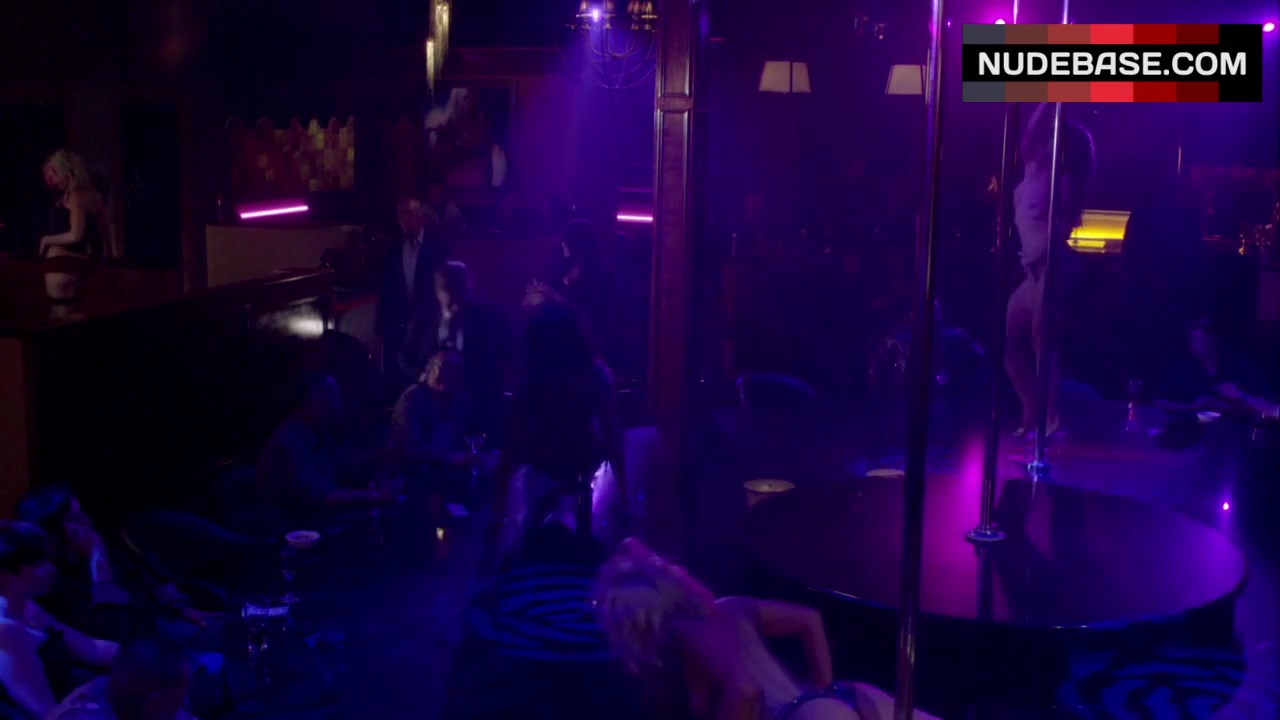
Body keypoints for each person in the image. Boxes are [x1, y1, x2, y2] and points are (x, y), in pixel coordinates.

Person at [594, 539, 941, 720]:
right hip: (842, 696)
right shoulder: (731, 607)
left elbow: (745, 691)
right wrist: (824, 694)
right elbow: (810, 621)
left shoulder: (683, 631)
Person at [490, 302, 627, 554]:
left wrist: (500, 490)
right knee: (581, 543)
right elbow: (611, 434)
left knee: (532, 542)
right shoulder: (594, 374)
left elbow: (513, 436)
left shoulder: (531, 376)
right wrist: (623, 489)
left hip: (541, 464)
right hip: (580, 463)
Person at [15, 489, 223, 645]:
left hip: (164, 622)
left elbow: (144, 573)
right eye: (74, 518)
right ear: (53, 533)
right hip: (144, 641)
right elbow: (113, 627)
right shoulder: (49, 581)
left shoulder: (97, 543)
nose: (86, 521)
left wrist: (179, 607)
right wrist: (97, 560)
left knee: (234, 626)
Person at [1005, 103, 1094, 437]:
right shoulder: (1033, 164)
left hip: (1052, 266)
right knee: (1009, 342)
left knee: (1042, 340)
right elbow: (1029, 135)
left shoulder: (1064, 180)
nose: (1048, 140)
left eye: (1056, 138)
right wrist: (1049, 99)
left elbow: (1062, 220)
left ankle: (1051, 418)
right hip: (1032, 272)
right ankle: (1032, 409)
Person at [0, 522, 118, 718]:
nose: (52, 568)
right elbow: (46, 713)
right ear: (6, 575)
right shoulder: (7, 632)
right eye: (39, 563)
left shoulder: (26, 606)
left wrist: (146, 658)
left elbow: (91, 649)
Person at [255, 374, 400, 530]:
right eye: (333, 397)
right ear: (313, 401)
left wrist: (382, 453)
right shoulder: (290, 442)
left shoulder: (316, 432)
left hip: (311, 518)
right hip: (290, 528)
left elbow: (343, 464)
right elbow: (322, 497)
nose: (340, 404)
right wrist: (378, 495)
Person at [399, 261, 511, 434]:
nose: (450, 298)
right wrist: (421, 376)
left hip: (471, 395)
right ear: (437, 290)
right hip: (429, 394)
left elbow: (496, 360)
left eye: (455, 290)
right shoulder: (424, 317)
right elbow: (404, 356)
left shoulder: (484, 318)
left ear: (466, 289)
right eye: (444, 290)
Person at [377, 197, 448, 376]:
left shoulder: (437, 246)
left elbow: (442, 286)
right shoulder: (393, 247)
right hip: (398, 320)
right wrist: (382, 321)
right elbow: (385, 286)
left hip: (426, 322)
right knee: (396, 371)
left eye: (408, 213)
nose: (404, 219)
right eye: (400, 214)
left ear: (420, 215)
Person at [48, 638, 195, 720]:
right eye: (180, 697)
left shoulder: (122, 691)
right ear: (154, 702)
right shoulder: (82, 715)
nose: (182, 703)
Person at [1157, 316, 1271, 418]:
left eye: (1201, 340)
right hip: (1191, 431)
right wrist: (1190, 407)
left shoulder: (1239, 368)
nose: (1196, 345)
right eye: (1194, 340)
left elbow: (1271, 407)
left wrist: (1230, 403)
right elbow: (1159, 402)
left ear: (1215, 340)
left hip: (1234, 431)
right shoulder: (1181, 370)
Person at [525, 219, 613, 351]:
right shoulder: (563, 267)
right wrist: (539, 293)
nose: (562, 243)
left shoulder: (600, 276)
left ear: (577, 243)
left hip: (582, 340)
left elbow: (588, 314)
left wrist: (552, 295)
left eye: (566, 240)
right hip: (558, 334)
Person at [39, 151, 110, 262]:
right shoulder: (87, 192)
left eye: (55, 175)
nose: (53, 181)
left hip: (82, 258)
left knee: (53, 253)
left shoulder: (77, 195)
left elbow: (75, 236)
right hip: (86, 256)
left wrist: (46, 240)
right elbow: (104, 227)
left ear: (66, 173)